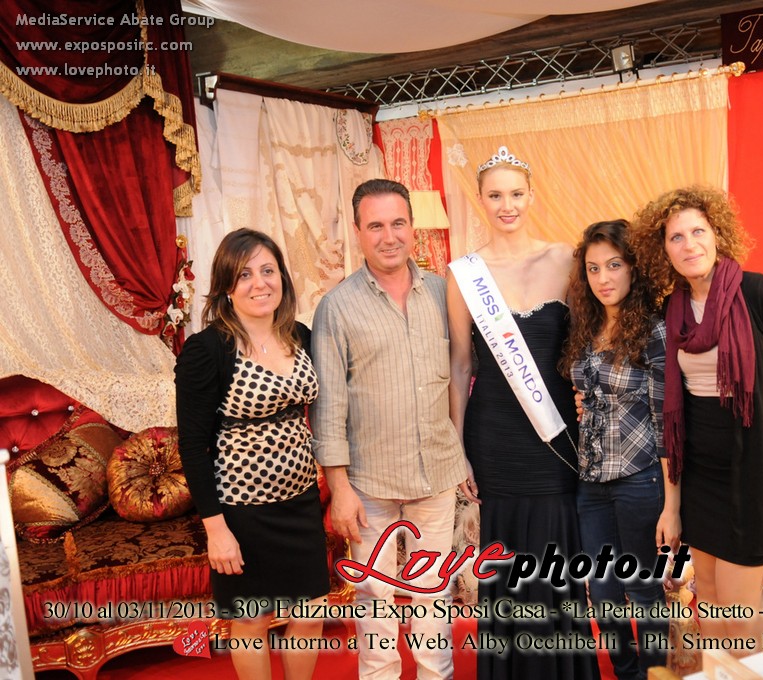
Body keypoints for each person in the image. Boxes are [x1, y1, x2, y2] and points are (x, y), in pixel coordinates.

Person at [631, 186, 763, 654]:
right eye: (676, 237)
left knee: (739, 619)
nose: (690, 245)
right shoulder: (673, 309)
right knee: (710, 601)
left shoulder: (760, 294)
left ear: (717, 234)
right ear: (664, 250)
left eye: (698, 231)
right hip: (701, 474)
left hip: (754, 470)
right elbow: (667, 399)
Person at [448, 146, 598, 679]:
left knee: (558, 554)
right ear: (480, 200)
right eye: (495, 195)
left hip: (555, 435)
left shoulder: (566, 260)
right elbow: (460, 363)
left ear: (532, 196)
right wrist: (459, 449)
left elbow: (588, 347)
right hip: (494, 438)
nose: (506, 205)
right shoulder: (465, 274)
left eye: (516, 194)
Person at [311, 179, 465, 680]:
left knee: (433, 593)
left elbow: (463, 374)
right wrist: (339, 489)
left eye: (398, 223)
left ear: (413, 228)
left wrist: (463, 453)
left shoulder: (443, 294)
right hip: (368, 483)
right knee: (375, 595)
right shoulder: (336, 308)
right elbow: (328, 406)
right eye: (375, 225)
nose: (389, 236)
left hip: (436, 472)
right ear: (358, 232)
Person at [175, 228, 329, 680]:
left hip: (301, 502)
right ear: (227, 286)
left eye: (268, 270)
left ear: (282, 277)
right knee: (251, 621)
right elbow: (192, 446)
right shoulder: (207, 350)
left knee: (311, 613)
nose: (260, 283)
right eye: (244, 274)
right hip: (241, 511)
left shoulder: (300, 335)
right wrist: (216, 530)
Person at [561, 219, 669, 679]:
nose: (603, 278)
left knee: (642, 591)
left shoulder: (654, 331)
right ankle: (627, 672)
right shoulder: (585, 329)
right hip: (591, 482)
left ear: (633, 268)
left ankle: (655, 674)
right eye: (593, 269)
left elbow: (665, 420)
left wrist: (672, 501)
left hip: (640, 478)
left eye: (614, 265)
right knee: (602, 593)